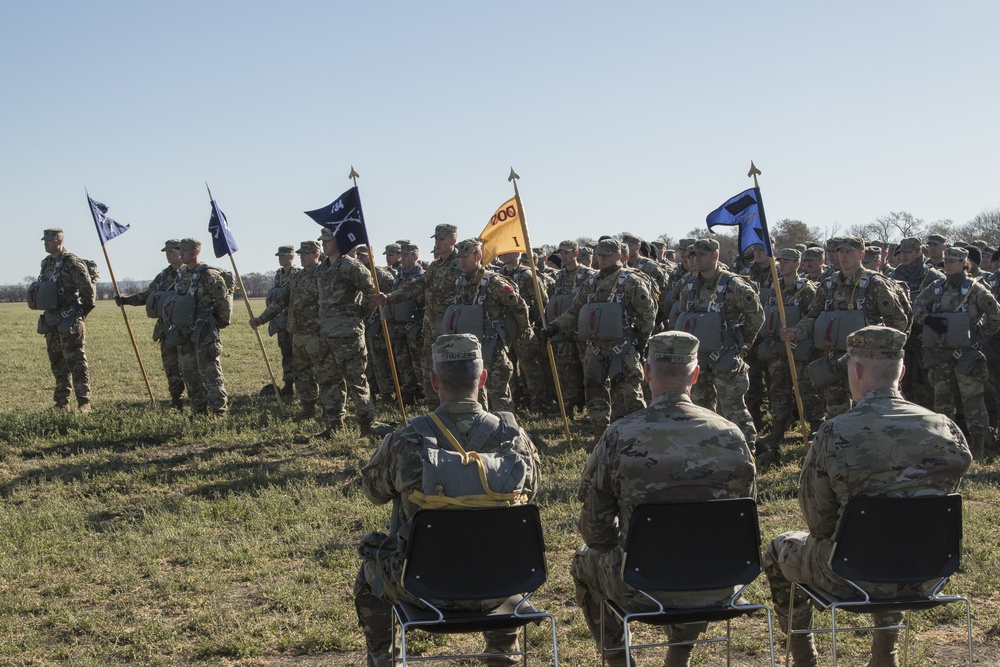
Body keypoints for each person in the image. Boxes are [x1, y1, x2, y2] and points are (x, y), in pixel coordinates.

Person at [763, 326, 973, 667]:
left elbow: (817, 523)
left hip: (851, 574)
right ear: (901, 372)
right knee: (896, 542)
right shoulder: (945, 428)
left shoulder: (835, 431)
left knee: (779, 549)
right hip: (928, 571)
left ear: (856, 370)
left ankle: (803, 658)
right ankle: (884, 657)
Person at [353, 334, 541, 667]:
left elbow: (374, 494)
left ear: (435, 381)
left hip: (426, 587)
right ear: (482, 379)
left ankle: (384, 660)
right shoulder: (516, 441)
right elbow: (531, 494)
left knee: (370, 570)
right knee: (497, 537)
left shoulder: (404, 440)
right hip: (504, 585)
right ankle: (502, 655)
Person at [572, 331, 755, 667]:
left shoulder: (620, 435)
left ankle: (618, 661)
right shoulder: (732, 435)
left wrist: (631, 547)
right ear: (696, 374)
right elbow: (740, 522)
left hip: (641, 585)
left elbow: (595, 533)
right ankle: (679, 656)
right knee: (699, 549)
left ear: (647, 371)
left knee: (584, 562)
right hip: (718, 582)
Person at [780, 236, 909, 420]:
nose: (843, 256)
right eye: (840, 252)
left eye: (849, 252)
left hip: (869, 363)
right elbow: (813, 316)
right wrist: (795, 333)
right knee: (836, 413)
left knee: (874, 412)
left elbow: (898, 323)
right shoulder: (829, 284)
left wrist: (884, 357)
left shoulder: (876, 284)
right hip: (836, 360)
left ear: (861, 254)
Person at [541, 238, 656, 431]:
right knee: (595, 396)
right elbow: (574, 312)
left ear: (618, 256)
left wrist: (640, 343)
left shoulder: (631, 281)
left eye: (606, 255)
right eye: (599, 255)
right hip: (595, 349)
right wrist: (554, 327)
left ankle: (638, 438)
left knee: (628, 398)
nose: (601, 259)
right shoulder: (591, 283)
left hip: (622, 348)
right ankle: (601, 437)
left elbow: (648, 314)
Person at [673, 238, 764, 448]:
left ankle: (746, 451)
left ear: (715, 255)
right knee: (700, 408)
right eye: (693, 255)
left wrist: (742, 344)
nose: (695, 259)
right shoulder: (689, 285)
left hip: (726, 356)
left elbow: (756, 317)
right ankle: (708, 450)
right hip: (700, 358)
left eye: (701, 255)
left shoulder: (734, 284)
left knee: (733, 410)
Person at [913, 246, 1000, 457]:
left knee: (973, 402)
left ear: (964, 263)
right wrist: (929, 319)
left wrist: (978, 335)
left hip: (967, 354)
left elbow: (995, 314)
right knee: (942, 403)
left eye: (954, 261)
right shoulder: (936, 287)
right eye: (947, 261)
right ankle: (946, 447)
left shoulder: (974, 289)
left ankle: (978, 449)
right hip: (940, 354)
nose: (949, 264)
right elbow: (916, 306)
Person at [375, 224, 464, 410]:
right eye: (436, 239)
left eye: (442, 239)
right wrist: (389, 298)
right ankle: (434, 409)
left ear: (453, 241)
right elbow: (416, 286)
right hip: (431, 327)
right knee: (429, 370)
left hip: (452, 328)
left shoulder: (461, 264)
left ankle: (456, 408)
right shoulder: (435, 266)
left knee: (454, 370)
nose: (437, 243)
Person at [444, 239, 532, 412]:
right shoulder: (461, 283)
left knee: (499, 398)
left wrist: (520, 334)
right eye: (460, 257)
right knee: (475, 396)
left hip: (493, 350)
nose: (462, 261)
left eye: (466, 257)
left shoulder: (494, 283)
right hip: (470, 350)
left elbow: (520, 307)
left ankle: (509, 433)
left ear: (478, 256)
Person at [755, 248, 820, 464]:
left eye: (787, 261)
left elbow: (813, 317)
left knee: (806, 391)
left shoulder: (807, 290)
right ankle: (777, 431)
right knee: (778, 390)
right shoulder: (775, 288)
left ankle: (815, 432)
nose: (782, 265)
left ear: (798, 264)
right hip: (777, 349)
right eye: (780, 261)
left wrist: (795, 333)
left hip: (799, 350)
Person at [315, 228, 378, 438]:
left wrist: (361, 313)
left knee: (356, 382)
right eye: (322, 240)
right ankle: (334, 425)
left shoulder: (351, 266)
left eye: (327, 240)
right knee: (328, 381)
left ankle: (367, 427)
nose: (323, 243)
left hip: (348, 335)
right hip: (327, 334)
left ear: (339, 241)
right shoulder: (322, 269)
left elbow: (371, 291)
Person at [117, 239, 193, 409]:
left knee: (189, 367)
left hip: (185, 330)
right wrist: (126, 300)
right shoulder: (164, 275)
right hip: (166, 329)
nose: (168, 255)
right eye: (166, 252)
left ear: (181, 252)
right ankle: (176, 401)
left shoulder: (190, 273)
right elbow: (149, 295)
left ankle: (197, 403)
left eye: (171, 251)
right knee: (171, 368)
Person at [251, 240, 322, 419]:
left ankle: (329, 409)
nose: (302, 257)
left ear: (316, 254)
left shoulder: (324, 274)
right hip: (296, 331)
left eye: (306, 254)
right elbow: (281, 301)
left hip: (318, 332)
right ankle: (308, 408)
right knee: (302, 372)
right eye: (301, 254)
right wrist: (262, 319)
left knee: (322, 371)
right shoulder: (297, 278)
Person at [31, 228, 95, 412]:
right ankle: (62, 402)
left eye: (49, 240)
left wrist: (79, 315)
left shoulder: (72, 262)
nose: (46, 243)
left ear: (59, 240)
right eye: (45, 240)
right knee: (57, 362)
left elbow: (88, 293)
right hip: (51, 319)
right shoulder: (46, 263)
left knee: (76, 361)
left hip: (69, 319)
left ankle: (84, 402)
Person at [171, 238, 232, 416]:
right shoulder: (182, 274)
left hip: (204, 330)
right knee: (189, 372)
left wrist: (217, 324)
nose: (181, 253)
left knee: (210, 372)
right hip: (185, 330)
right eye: (180, 249)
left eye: (185, 250)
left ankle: (219, 412)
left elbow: (223, 302)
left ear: (196, 252)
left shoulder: (208, 274)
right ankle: (199, 410)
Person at [386, 242, 426, 406]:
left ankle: (425, 393)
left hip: (414, 325)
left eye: (407, 255)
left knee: (419, 363)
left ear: (415, 257)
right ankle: (408, 393)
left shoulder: (421, 276)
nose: (402, 259)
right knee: (402, 363)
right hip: (398, 325)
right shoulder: (398, 275)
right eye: (401, 255)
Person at [265, 245, 298, 397]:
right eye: (279, 255)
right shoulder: (279, 275)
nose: (280, 258)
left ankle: (304, 387)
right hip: (281, 321)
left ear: (291, 256)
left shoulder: (297, 274)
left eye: (283, 255)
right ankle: (288, 384)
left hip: (294, 321)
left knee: (299, 355)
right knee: (286, 353)